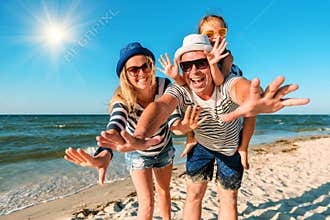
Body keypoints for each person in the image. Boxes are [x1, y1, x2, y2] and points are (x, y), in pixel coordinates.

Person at [98, 34, 309, 219]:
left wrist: (254, 101)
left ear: (212, 62)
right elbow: (160, 107)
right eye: (187, 66)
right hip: (200, 148)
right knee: (193, 196)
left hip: (229, 149)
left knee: (228, 199)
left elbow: (242, 89)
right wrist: (140, 136)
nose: (194, 72)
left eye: (201, 63)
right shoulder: (181, 90)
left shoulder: (226, 83)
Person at [64, 42, 204, 220]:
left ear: (151, 65)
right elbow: (115, 126)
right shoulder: (122, 98)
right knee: (146, 203)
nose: (142, 72)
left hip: (163, 149)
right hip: (137, 153)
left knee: (163, 192)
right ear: (125, 74)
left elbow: (170, 118)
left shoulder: (165, 86)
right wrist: (105, 153)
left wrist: (183, 128)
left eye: (145, 66)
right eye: (133, 69)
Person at [199, 14, 256, 169]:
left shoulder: (233, 66)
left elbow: (222, 85)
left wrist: (225, 65)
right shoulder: (196, 67)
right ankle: (191, 138)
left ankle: (243, 148)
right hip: (204, 136)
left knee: (251, 109)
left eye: (221, 32)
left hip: (230, 138)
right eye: (209, 34)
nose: (216, 37)